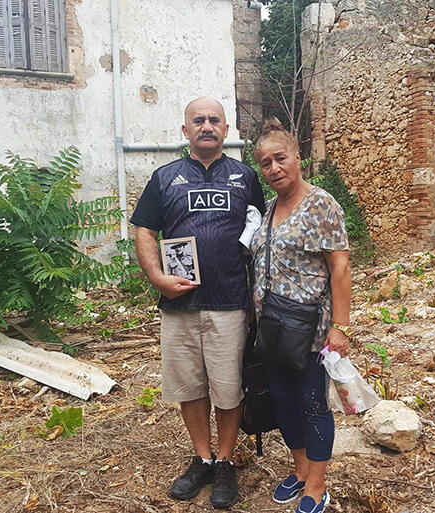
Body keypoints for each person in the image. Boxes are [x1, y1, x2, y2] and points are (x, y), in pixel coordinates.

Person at [130, 97, 265, 509]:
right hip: (180, 306)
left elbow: (262, 234)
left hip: (230, 303)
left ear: (227, 130)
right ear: (185, 130)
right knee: (190, 386)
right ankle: (201, 457)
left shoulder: (246, 177)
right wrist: (157, 278)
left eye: (215, 120)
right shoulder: (164, 178)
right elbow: (144, 231)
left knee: (227, 389)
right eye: (198, 120)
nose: (207, 126)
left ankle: (225, 462)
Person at [249, 119, 351, 513]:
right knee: (282, 402)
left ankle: (317, 485)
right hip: (272, 330)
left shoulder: (321, 204)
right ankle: (301, 468)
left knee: (311, 403)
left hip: (309, 329)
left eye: (280, 158)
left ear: (298, 157)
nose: (274, 168)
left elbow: (340, 267)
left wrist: (340, 327)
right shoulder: (270, 207)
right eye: (265, 163)